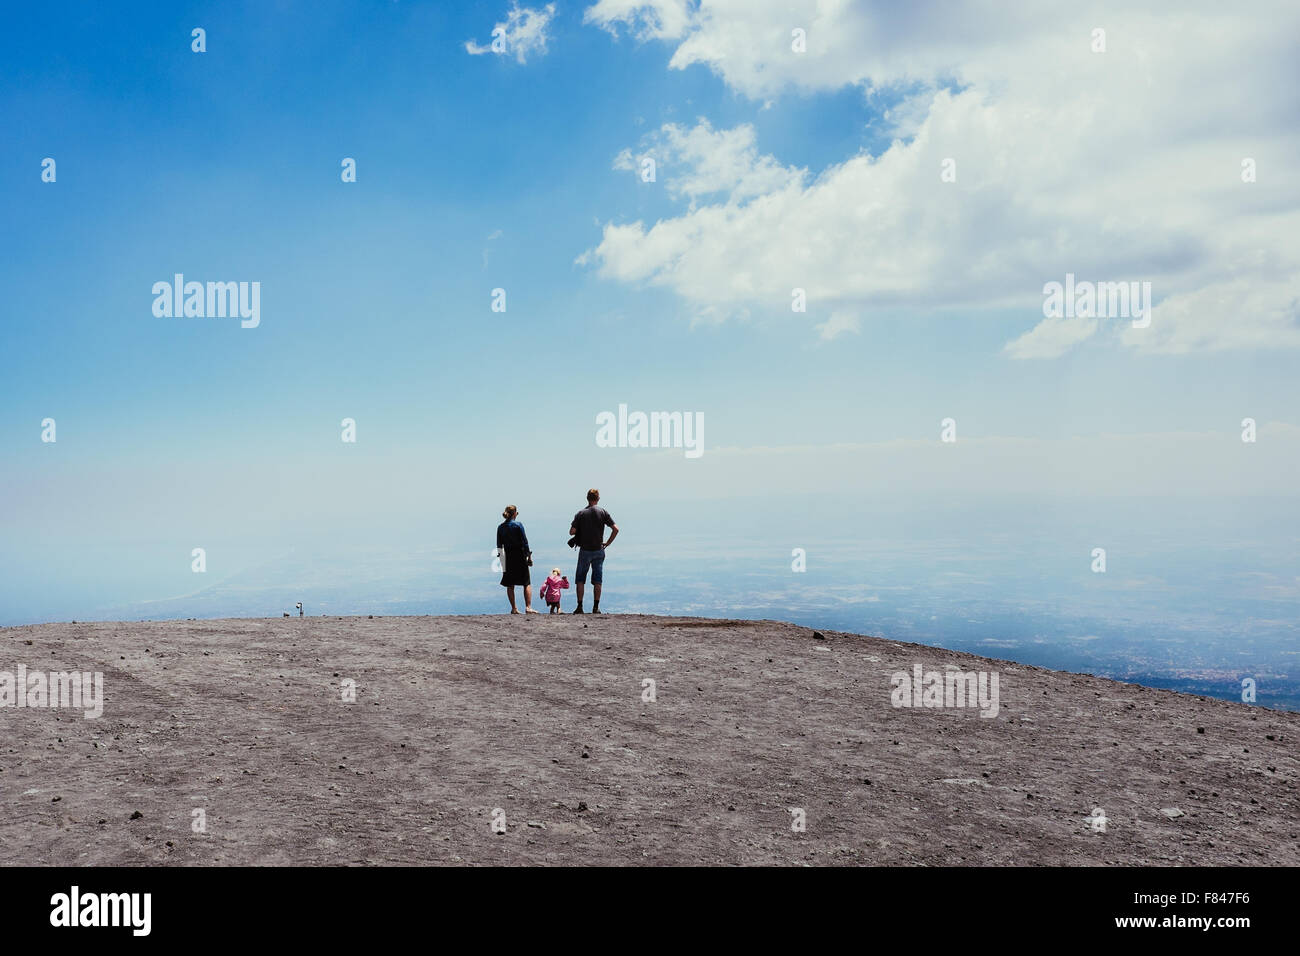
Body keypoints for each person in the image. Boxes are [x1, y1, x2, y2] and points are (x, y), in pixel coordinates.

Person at [569, 488, 618, 614]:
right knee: (597, 579)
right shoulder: (603, 512)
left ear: (587, 498)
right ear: (598, 498)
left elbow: (572, 532)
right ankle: (596, 607)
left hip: (585, 550)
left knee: (580, 579)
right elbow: (615, 529)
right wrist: (608, 543)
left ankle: (580, 607)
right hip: (598, 550)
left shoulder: (581, 513)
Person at [496, 505, 537, 614]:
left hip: (508, 556)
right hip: (519, 555)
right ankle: (528, 607)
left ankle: (514, 608)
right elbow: (525, 542)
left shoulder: (500, 527)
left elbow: (499, 546)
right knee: (526, 582)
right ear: (515, 514)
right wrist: (529, 556)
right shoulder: (518, 525)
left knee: (510, 584)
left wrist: (501, 561)